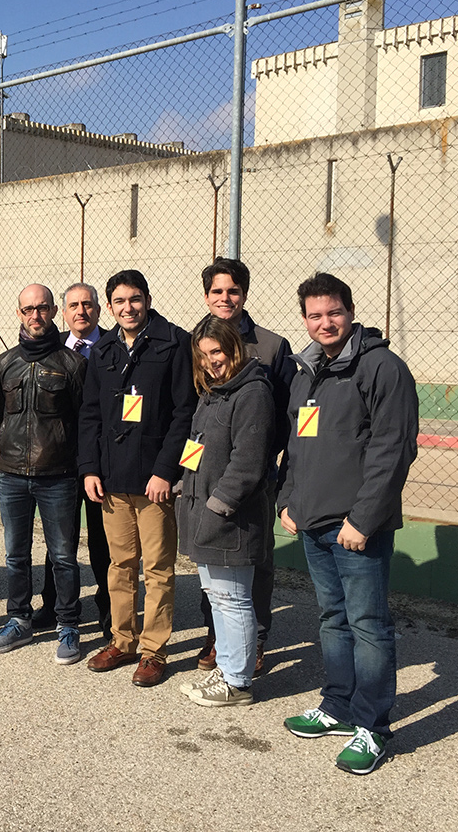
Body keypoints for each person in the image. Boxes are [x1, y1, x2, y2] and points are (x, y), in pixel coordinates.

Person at [277, 273, 417, 775]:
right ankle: (337, 706)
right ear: (305, 320)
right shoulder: (306, 372)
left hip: (357, 528)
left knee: (368, 626)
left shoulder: (381, 368)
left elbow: (393, 452)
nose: (325, 322)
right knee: (332, 620)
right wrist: (287, 501)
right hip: (312, 523)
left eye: (333, 312)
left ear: (351, 311)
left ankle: (373, 728)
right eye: (314, 315)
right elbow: (296, 447)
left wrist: (363, 519)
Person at [77, 269, 196, 686]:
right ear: (109, 307)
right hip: (112, 478)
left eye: (135, 299)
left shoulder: (173, 342)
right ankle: (122, 641)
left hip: (153, 481)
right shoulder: (104, 348)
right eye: (120, 302)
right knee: (120, 565)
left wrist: (166, 471)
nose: (128, 308)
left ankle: (154, 651)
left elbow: (185, 411)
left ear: (147, 299)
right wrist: (90, 468)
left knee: (159, 568)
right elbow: (90, 413)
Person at [194, 257, 295, 673]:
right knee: (209, 558)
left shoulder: (271, 347)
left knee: (256, 561)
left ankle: (256, 639)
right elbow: (195, 415)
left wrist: (270, 468)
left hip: (252, 477)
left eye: (232, 291)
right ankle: (216, 635)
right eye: (217, 291)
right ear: (206, 297)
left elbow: (287, 417)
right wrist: (188, 473)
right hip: (206, 473)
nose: (225, 298)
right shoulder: (197, 340)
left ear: (245, 294)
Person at [177, 316, 274, 707]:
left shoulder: (252, 393)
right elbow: (197, 445)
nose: (210, 362)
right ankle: (230, 666)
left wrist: (218, 506)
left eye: (216, 351)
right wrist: (187, 484)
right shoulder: (214, 394)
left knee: (234, 600)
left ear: (233, 347)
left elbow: (247, 463)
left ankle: (238, 682)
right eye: (203, 356)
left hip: (230, 520)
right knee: (218, 598)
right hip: (202, 512)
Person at [0, 284, 86, 664]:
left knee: (63, 555)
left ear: (53, 312)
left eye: (43, 308)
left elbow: (81, 418)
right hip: (12, 473)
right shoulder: (5, 363)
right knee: (16, 555)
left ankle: (68, 624)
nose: (36, 315)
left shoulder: (72, 364)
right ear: (19, 314)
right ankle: (19, 619)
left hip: (58, 474)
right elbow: (2, 414)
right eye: (28, 309)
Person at [35, 281, 112, 639]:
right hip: (61, 464)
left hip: (102, 463)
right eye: (73, 306)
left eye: (87, 304)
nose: (81, 311)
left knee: (103, 542)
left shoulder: (112, 348)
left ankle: (109, 610)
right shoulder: (51, 351)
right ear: (62, 313)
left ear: (99, 309)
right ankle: (52, 604)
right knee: (59, 541)